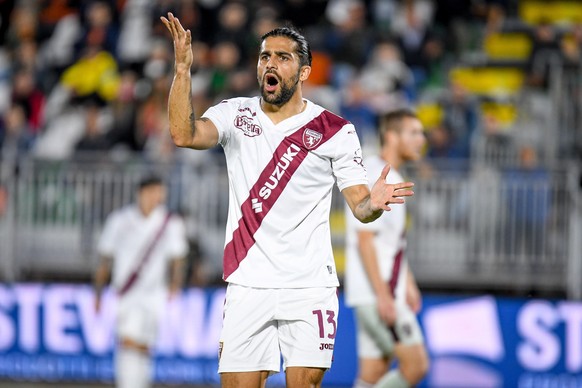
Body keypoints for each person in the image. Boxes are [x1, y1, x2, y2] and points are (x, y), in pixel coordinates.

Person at [160, 13, 415, 388]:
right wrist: (182, 72)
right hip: (248, 283)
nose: (271, 64)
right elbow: (183, 134)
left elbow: (360, 208)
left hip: (309, 284)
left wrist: (373, 204)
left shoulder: (335, 131)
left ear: (305, 71)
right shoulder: (235, 114)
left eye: (283, 57)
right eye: (265, 57)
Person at [344, 108, 430, 388]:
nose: (421, 139)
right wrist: (383, 296)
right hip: (377, 294)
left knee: (373, 374)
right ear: (391, 136)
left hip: (376, 292)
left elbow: (392, 243)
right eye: (414, 132)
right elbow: (365, 239)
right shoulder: (375, 173)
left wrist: (409, 282)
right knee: (416, 366)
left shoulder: (389, 173)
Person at [93, 175, 188, 388]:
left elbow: (178, 258)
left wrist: (175, 285)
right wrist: (98, 293)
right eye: (156, 191)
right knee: (128, 342)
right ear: (143, 192)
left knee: (144, 350)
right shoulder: (119, 220)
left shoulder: (170, 222)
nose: (160, 197)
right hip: (126, 294)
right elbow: (105, 259)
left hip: (154, 294)